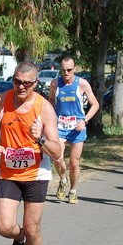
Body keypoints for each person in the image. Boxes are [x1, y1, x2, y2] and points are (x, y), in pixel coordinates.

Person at [0, 61, 61, 245]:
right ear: (13, 80)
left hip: (36, 175)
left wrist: (41, 139)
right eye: (17, 81)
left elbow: (56, 152)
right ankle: (19, 240)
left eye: (27, 83)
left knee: (32, 227)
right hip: (8, 172)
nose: (21, 87)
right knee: (4, 226)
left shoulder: (44, 108)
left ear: (35, 83)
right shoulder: (1, 101)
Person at [49, 56, 99, 204]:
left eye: (69, 70)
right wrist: (50, 118)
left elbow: (95, 104)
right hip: (60, 126)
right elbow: (51, 101)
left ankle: (73, 190)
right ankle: (63, 180)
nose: (66, 73)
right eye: (63, 70)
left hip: (77, 127)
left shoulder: (82, 84)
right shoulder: (55, 84)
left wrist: (85, 121)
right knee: (57, 158)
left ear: (75, 69)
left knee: (74, 163)